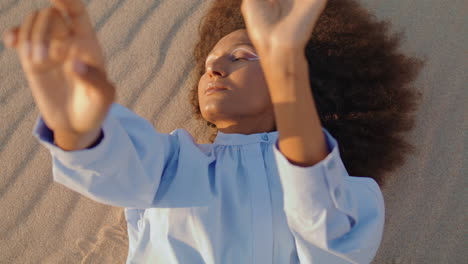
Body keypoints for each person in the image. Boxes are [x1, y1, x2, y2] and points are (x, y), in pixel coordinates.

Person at [2, 0, 424, 263]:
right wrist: (75, 111)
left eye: (242, 56)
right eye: (208, 63)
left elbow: (323, 222)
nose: (215, 68)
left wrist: (285, 63)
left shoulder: (353, 196)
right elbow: (114, 166)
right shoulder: (175, 164)